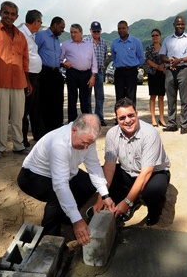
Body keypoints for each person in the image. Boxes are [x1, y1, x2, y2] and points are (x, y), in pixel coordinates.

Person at [17, 114, 111, 245]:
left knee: (88, 185)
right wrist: (77, 220)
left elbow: (94, 166)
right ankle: (49, 237)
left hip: (65, 173)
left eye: (89, 144)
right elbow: (60, 185)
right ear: (74, 130)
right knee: (57, 197)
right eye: (84, 143)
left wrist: (105, 195)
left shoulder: (88, 139)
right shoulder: (58, 144)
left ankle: (66, 216)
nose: (86, 147)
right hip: (33, 177)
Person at [93, 98, 171, 226]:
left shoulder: (150, 133)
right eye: (122, 118)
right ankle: (130, 199)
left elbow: (146, 172)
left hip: (153, 174)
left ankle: (153, 212)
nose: (128, 120)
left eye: (131, 115)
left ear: (136, 113)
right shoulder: (112, 134)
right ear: (116, 119)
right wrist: (101, 196)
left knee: (153, 192)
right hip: (128, 172)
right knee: (99, 175)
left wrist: (127, 202)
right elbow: (109, 168)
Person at [0, 1, 32, 159]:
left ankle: (18, 145)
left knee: (18, 116)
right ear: (0, 13)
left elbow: (25, 60)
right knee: (1, 117)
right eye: (6, 13)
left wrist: (28, 82)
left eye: (12, 14)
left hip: (19, 83)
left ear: (17, 16)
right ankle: (0, 146)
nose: (9, 16)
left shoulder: (20, 36)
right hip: (0, 82)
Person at [159, 16, 187, 134]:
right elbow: (162, 55)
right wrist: (170, 61)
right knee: (171, 99)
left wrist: (180, 60)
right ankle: (172, 123)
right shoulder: (167, 40)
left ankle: (184, 124)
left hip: (185, 70)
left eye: (182, 24)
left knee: (184, 99)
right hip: (170, 71)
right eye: (178, 24)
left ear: (185, 25)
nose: (180, 26)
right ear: (174, 25)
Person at [33, 17, 65, 139]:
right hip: (44, 72)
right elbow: (34, 52)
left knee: (57, 102)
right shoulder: (41, 36)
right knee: (43, 102)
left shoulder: (57, 40)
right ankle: (43, 132)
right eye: (61, 27)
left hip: (56, 73)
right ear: (55, 25)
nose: (62, 30)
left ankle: (56, 129)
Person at [61, 24, 97, 122]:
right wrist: (64, 63)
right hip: (72, 73)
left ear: (81, 33)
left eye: (75, 32)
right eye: (71, 32)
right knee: (72, 99)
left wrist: (93, 76)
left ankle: (86, 122)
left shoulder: (89, 45)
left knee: (85, 99)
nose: (73, 34)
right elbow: (59, 59)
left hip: (86, 74)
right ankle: (72, 123)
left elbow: (94, 62)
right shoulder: (65, 44)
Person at [19, 9, 43, 147]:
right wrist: (27, 80)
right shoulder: (22, 34)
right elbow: (22, 58)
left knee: (33, 107)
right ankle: (22, 139)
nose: (40, 25)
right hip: (27, 76)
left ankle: (32, 135)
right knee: (24, 108)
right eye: (40, 22)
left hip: (35, 75)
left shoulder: (31, 35)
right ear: (36, 22)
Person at [110, 20, 145, 104]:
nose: (121, 30)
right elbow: (114, 58)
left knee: (131, 97)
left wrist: (135, 67)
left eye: (123, 28)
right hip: (119, 72)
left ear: (127, 28)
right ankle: (119, 116)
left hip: (131, 71)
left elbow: (141, 57)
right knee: (119, 97)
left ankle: (131, 115)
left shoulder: (136, 42)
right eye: (119, 29)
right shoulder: (114, 43)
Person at [84, 21, 108, 127]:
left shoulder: (104, 42)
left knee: (100, 96)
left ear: (101, 30)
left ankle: (99, 118)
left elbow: (105, 57)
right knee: (87, 96)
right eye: (94, 31)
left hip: (99, 71)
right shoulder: (85, 41)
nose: (96, 32)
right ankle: (89, 119)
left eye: (98, 31)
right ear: (90, 31)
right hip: (88, 72)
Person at [145, 29, 167, 127]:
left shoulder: (164, 47)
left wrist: (163, 68)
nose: (155, 37)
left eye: (156, 35)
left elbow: (167, 59)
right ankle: (153, 118)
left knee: (161, 96)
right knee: (153, 96)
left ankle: (161, 118)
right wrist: (158, 67)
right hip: (153, 73)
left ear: (160, 36)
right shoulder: (149, 48)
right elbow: (148, 60)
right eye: (153, 35)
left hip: (162, 74)